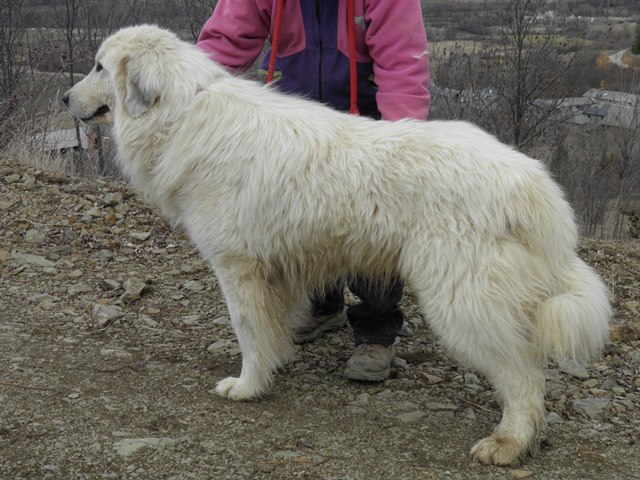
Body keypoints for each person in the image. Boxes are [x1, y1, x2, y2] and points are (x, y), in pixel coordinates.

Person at [197, 0, 430, 382]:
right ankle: (324, 307)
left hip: (366, 120)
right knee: (301, 222)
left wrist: (402, 147)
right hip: (293, 120)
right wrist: (185, 93)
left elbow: (402, 60)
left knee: (375, 225)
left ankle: (376, 329)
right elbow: (224, 43)